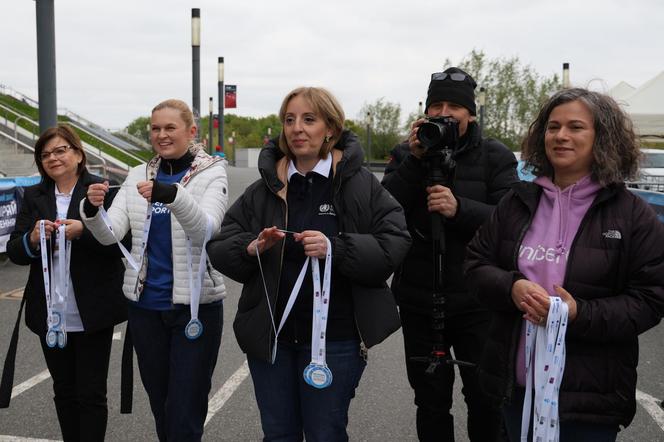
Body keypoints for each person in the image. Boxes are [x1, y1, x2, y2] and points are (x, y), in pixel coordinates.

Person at [207, 87, 411, 441]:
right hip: (272, 337)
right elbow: (221, 242)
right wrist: (252, 247)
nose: (297, 128)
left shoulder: (360, 185)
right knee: (278, 433)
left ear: (330, 128)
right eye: (289, 120)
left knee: (325, 434)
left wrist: (336, 248)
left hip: (337, 340)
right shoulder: (265, 188)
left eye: (309, 119)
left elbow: (394, 243)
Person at [465, 88, 664, 441]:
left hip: (589, 398)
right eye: (553, 126)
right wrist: (510, 286)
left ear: (602, 137)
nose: (561, 136)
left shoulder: (633, 215)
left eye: (575, 127)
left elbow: (651, 299)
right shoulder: (517, 202)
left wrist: (578, 314)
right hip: (517, 391)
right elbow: (475, 264)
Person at [382, 67, 518, 441]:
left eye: (454, 106)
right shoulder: (407, 153)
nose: (444, 113)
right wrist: (415, 159)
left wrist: (460, 209)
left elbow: (514, 222)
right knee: (429, 402)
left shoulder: (496, 157)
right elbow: (382, 209)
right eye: (436, 105)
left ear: (470, 114)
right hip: (419, 300)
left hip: (479, 302)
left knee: (486, 400)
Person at [80, 99, 228, 442]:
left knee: (185, 411)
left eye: (170, 128)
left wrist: (171, 196)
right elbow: (110, 235)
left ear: (191, 132)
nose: (161, 135)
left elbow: (206, 228)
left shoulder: (211, 171)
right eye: (155, 128)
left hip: (195, 310)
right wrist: (91, 209)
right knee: (162, 408)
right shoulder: (138, 174)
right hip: (146, 309)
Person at [3, 124, 127, 441]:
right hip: (49, 314)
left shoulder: (102, 190)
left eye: (61, 150)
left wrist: (82, 232)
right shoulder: (33, 195)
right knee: (64, 392)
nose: (53, 158)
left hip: (92, 311)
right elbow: (16, 250)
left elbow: (117, 246)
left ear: (78, 153)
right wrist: (32, 239)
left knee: (91, 394)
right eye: (45, 154)